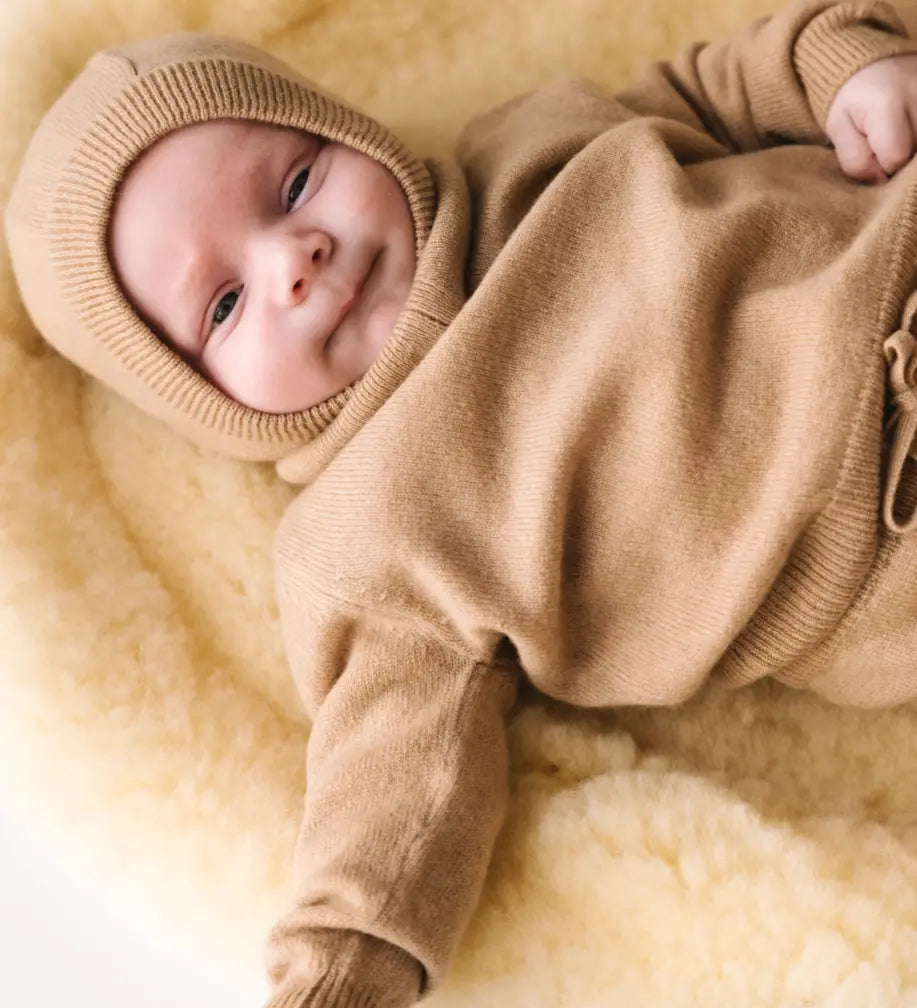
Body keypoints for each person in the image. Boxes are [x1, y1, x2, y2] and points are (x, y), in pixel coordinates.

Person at [7, 0, 917, 1004]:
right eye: (223, 305)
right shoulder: (369, 543)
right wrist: (339, 974)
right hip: (879, 538)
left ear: (339, 124)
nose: (292, 258)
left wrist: (841, 66)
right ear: (200, 399)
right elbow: (389, 787)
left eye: (297, 182)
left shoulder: (528, 141)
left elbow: (717, 88)